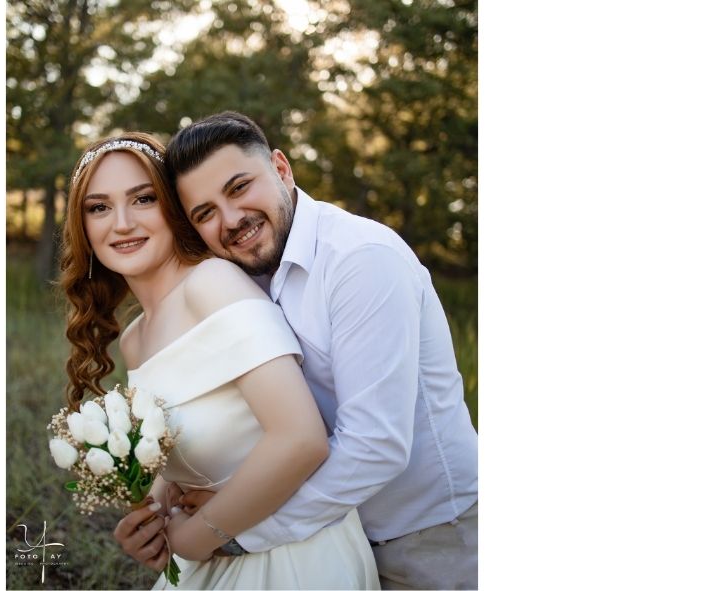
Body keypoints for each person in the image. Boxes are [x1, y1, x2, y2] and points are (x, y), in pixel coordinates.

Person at [114, 112, 480, 590]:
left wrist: (233, 534)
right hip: (324, 540)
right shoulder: (237, 279)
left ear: (282, 169)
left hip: (425, 538)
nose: (231, 220)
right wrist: (165, 506)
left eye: (239, 187)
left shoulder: (360, 260)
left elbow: (376, 445)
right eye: (205, 213)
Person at [61, 132, 379, 589]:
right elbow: (182, 460)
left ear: (173, 207)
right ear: (84, 226)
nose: (123, 223)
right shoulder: (135, 339)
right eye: (99, 207)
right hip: (215, 554)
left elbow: (302, 439)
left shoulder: (212, 284)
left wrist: (196, 537)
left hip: (292, 558)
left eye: (143, 199)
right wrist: (150, 521)